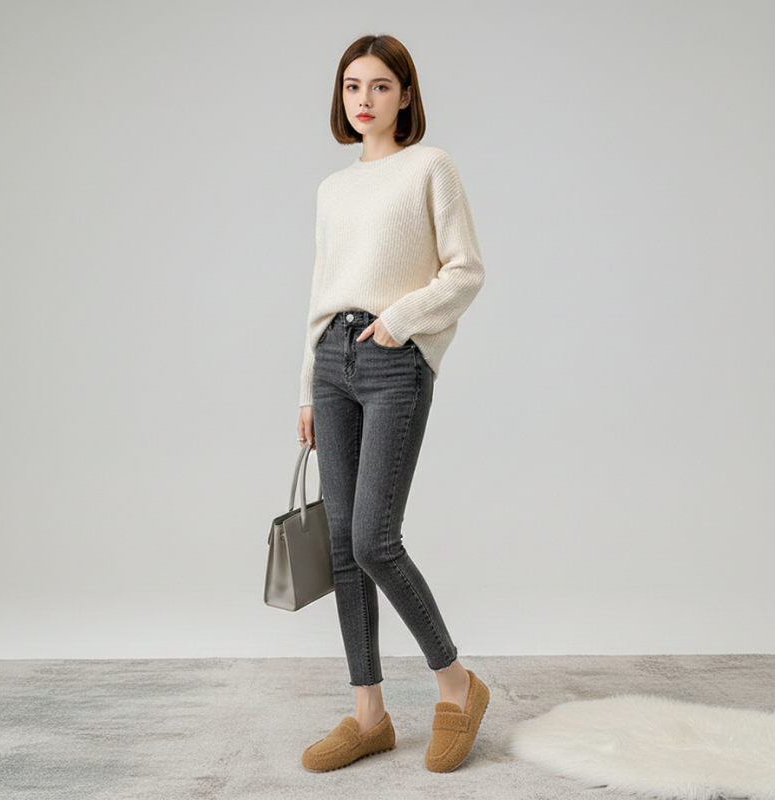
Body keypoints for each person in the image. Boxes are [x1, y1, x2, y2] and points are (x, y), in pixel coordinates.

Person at [296, 33, 487, 773]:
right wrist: (304, 386)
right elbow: (317, 292)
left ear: (405, 94)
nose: (365, 100)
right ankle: (369, 714)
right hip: (331, 365)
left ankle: (456, 684)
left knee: (376, 540)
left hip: (391, 361)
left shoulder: (430, 168)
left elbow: (466, 272)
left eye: (379, 86)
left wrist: (400, 322)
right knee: (344, 547)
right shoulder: (332, 188)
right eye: (352, 87)